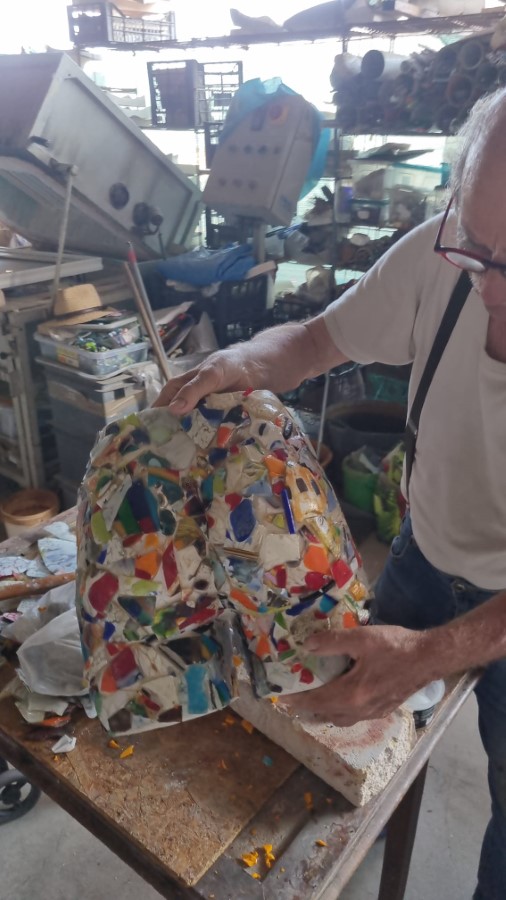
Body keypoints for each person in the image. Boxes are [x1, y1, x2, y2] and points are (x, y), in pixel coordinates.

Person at [154, 88, 506, 899]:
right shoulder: (441, 253)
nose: (487, 284)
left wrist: (432, 653)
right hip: (425, 554)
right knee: (356, 724)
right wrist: (246, 360)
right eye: (477, 246)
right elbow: (317, 339)